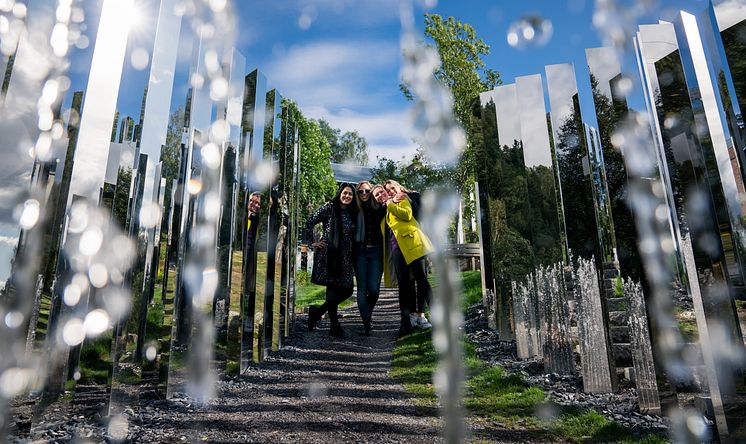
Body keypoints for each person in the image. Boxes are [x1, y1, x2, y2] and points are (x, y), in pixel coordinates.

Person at [376, 183, 434, 337]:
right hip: (397, 250)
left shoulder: (400, 200)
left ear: (399, 188)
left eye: (390, 189)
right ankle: (405, 323)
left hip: (413, 244)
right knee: (404, 286)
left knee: (422, 280)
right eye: (386, 191)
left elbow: (407, 215)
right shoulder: (386, 210)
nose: (388, 192)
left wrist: (390, 203)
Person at [304, 182, 358, 338]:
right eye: (345, 193)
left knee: (347, 290)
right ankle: (334, 326)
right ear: (340, 193)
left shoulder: (351, 211)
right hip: (329, 255)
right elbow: (310, 221)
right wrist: (312, 242)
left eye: (350, 194)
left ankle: (317, 312)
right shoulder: (330, 207)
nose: (347, 196)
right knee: (333, 290)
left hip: (345, 256)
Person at [354, 181, 386, 335]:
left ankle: (367, 314)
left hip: (377, 252)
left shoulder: (380, 207)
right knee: (361, 289)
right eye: (361, 192)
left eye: (367, 191)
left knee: (373, 290)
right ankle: (367, 323)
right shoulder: (355, 208)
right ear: (357, 194)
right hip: (359, 252)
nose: (364, 194)